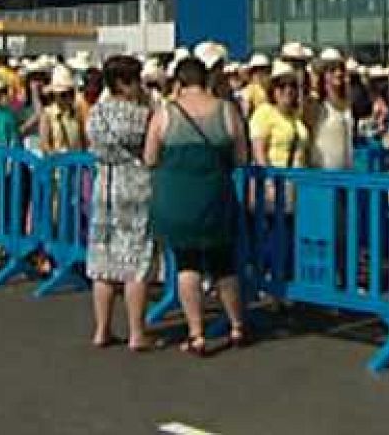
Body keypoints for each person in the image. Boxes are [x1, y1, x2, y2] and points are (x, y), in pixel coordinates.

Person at [144, 56, 249, 356]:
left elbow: (150, 157)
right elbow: (241, 157)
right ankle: (237, 325)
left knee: (187, 263)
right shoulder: (226, 111)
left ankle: (196, 333)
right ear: (206, 79)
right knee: (223, 262)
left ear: (178, 82)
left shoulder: (165, 113)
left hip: (176, 199)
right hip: (215, 195)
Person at [84, 55, 159, 352]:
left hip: (105, 188)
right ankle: (137, 332)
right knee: (136, 262)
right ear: (123, 82)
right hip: (136, 188)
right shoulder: (142, 115)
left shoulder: (96, 113)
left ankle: (102, 329)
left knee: (103, 263)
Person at [249, 61, 309, 169]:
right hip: (276, 180)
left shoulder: (295, 116)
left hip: (297, 180)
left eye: (292, 85)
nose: (288, 90)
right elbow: (259, 153)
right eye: (282, 86)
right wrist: (270, 182)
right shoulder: (263, 113)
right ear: (272, 89)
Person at [309, 57, 354, 171]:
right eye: (333, 70)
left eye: (341, 70)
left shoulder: (348, 105)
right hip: (323, 172)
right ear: (323, 75)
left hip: (346, 170)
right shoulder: (316, 105)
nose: (338, 73)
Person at [40, 65, 86, 154]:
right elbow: (44, 145)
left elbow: (83, 140)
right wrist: (56, 155)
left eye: (71, 93)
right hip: (57, 163)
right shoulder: (47, 114)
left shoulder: (76, 112)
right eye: (63, 94)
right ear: (54, 95)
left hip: (77, 163)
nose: (68, 98)